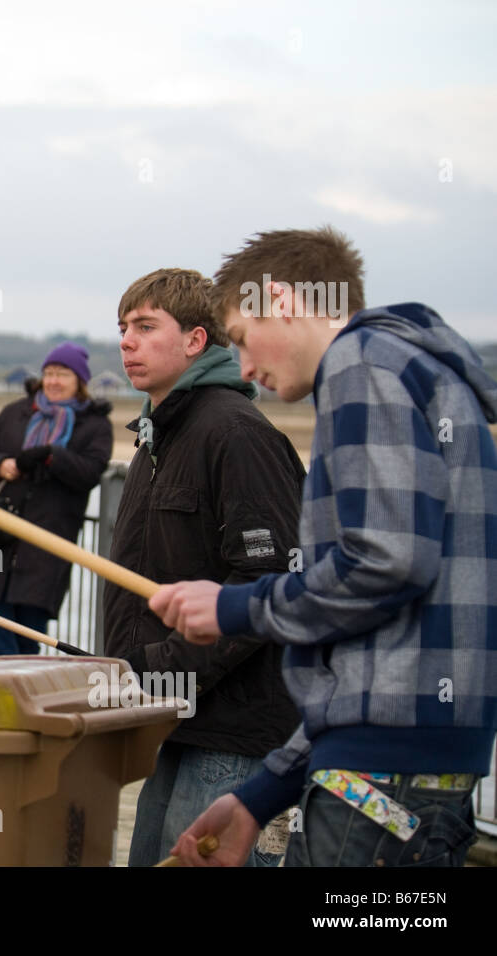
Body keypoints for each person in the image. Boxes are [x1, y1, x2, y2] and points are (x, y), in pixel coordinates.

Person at [154, 227, 497, 868]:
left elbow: (386, 562)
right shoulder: (413, 370)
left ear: (280, 300)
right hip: (404, 773)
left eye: (242, 339)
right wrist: (259, 797)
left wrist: (233, 607)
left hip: (378, 784)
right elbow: (374, 650)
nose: (247, 367)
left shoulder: (361, 363)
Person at [105, 267, 304, 868]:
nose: (126, 343)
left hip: (235, 729)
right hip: (176, 719)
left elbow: (268, 585)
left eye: (145, 326)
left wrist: (158, 667)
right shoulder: (157, 435)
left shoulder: (234, 433)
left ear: (195, 340)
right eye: (122, 329)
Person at [0, 342, 113, 655]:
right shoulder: (15, 413)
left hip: (47, 544)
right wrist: (0, 465)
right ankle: (6, 692)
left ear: (80, 381)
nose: (53, 381)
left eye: (63, 374)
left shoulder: (95, 425)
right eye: (49, 373)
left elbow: (89, 472)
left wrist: (51, 456)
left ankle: (21, 693)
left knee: (29, 634)